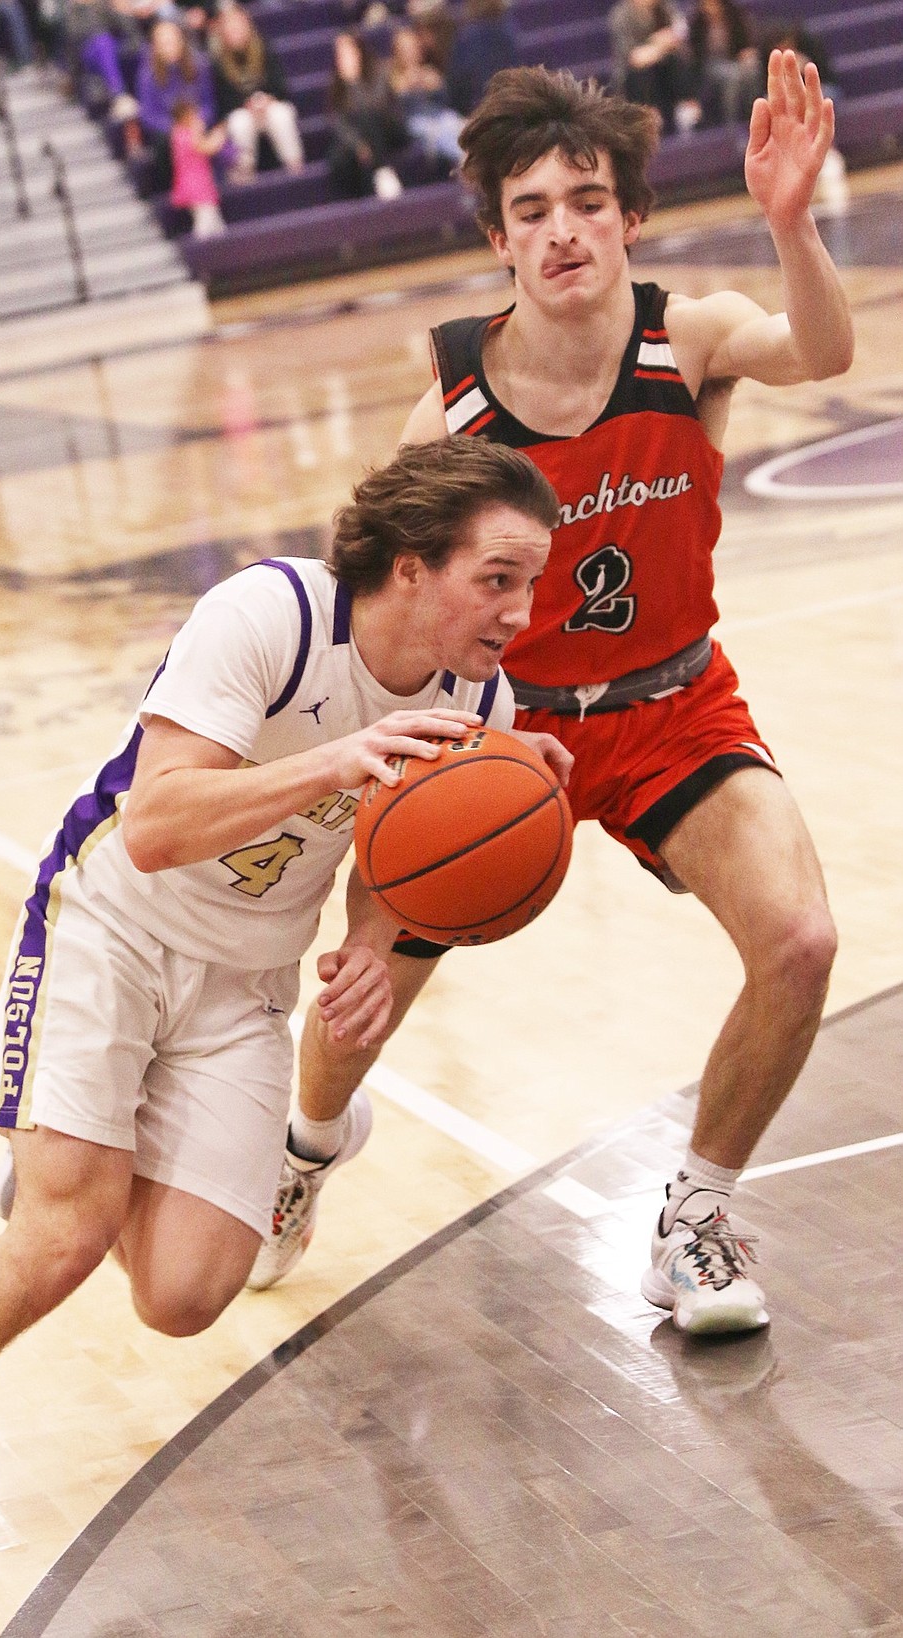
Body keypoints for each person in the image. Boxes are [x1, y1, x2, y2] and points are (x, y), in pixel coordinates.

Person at [0, 435, 570, 1589]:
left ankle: (89, 1159)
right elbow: (159, 823)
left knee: (183, 1298)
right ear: (413, 566)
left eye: (534, 580)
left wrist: (371, 948)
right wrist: (340, 760)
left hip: (247, 985)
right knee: (60, 1237)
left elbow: (400, 840)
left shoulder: (478, 692)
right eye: (500, 577)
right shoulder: (270, 615)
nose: (523, 610)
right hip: (109, 932)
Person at [255, 56, 852, 1341]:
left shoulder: (684, 340)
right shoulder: (455, 414)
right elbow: (368, 595)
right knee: (355, 993)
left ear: (629, 217)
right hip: (499, 730)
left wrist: (792, 220)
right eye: (532, 210)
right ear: (498, 238)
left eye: (588, 199)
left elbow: (821, 347)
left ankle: (693, 1217)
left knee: (800, 943)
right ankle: (302, 1155)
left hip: (676, 705)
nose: (563, 229)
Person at [211, 3, 303, 181]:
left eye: (238, 26)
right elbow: (223, 103)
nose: (235, 31)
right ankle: (245, 173)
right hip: (243, 112)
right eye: (230, 28)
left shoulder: (264, 48)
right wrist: (246, 106)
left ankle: (295, 166)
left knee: (281, 114)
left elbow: (281, 87)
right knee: (239, 122)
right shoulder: (219, 63)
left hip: (269, 106)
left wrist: (268, 99)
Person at [136, 17, 217, 191]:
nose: (169, 47)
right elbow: (148, 116)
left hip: (197, 125)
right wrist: (174, 128)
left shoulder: (199, 65)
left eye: (172, 42)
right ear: (155, 47)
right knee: (169, 142)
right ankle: (178, 190)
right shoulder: (147, 76)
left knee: (209, 136)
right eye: (164, 43)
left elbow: (209, 104)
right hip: (169, 131)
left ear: (182, 41)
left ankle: (212, 187)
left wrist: (199, 121)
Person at [326, 31, 408, 201]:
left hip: (389, 127)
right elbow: (339, 122)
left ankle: (381, 170)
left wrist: (354, 83)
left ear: (359, 51)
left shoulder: (379, 72)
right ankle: (372, 185)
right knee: (340, 156)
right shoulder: (338, 84)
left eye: (347, 52)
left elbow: (378, 108)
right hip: (362, 140)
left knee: (368, 118)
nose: (342, 58)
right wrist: (358, 145)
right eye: (339, 53)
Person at [608, 0, 696, 134]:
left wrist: (657, 48)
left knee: (675, 61)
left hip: (665, 68)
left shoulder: (665, 7)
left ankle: (687, 107)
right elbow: (635, 58)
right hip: (634, 76)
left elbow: (679, 33)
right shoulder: (621, 15)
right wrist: (658, 44)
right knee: (642, 73)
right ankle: (650, 117)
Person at [387, 23, 463, 169]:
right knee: (437, 132)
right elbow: (394, 112)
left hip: (440, 115)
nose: (410, 52)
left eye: (412, 47)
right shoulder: (393, 78)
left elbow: (446, 101)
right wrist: (405, 87)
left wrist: (436, 85)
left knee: (457, 124)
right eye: (405, 48)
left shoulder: (430, 71)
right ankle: (464, 158)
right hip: (414, 123)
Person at [687, 0, 762, 126]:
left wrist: (747, 52)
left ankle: (755, 117)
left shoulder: (734, 15)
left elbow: (747, 42)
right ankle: (730, 125)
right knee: (732, 76)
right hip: (709, 64)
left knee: (752, 70)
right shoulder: (696, 22)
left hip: (734, 60)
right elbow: (694, 54)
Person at [444, 0, 518, 118]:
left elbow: (457, 82)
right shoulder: (508, 33)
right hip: (507, 107)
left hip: (477, 112)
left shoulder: (467, 38)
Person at [168, 95, 225, 234]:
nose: (197, 117)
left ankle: (224, 251)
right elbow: (207, 147)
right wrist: (220, 134)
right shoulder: (185, 133)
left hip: (197, 183)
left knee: (216, 224)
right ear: (186, 116)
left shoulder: (178, 133)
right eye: (194, 114)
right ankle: (199, 253)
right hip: (196, 186)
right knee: (204, 224)